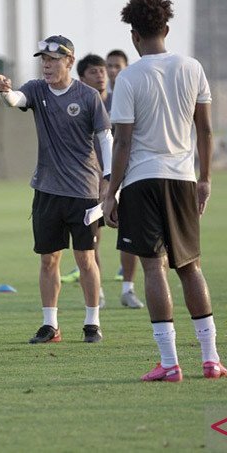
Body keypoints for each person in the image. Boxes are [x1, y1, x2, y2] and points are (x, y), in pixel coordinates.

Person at [103, 0, 227, 382]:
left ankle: (170, 363)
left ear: (134, 36)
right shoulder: (192, 67)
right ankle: (211, 359)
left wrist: (111, 192)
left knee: (153, 268)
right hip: (183, 178)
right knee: (190, 266)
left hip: (142, 180)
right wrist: (205, 178)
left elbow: (123, 141)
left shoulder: (128, 77)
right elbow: (205, 129)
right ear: (167, 30)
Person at [0, 35, 110, 344]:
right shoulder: (36, 89)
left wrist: (109, 178)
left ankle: (92, 323)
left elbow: (105, 137)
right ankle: (50, 325)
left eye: (53, 59)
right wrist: (5, 91)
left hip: (83, 192)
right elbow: (16, 100)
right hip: (47, 191)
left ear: (69, 61)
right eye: (44, 59)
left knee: (86, 260)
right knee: (49, 260)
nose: (46, 65)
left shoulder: (88, 96)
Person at [75, 53, 143, 309]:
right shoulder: (79, 104)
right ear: (82, 78)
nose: (102, 74)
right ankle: (98, 291)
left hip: (125, 178)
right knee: (93, 238)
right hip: (89, 181)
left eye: (103, 70)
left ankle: (128, 290)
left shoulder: (121, 99)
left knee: (129, 234)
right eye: (94, 71)